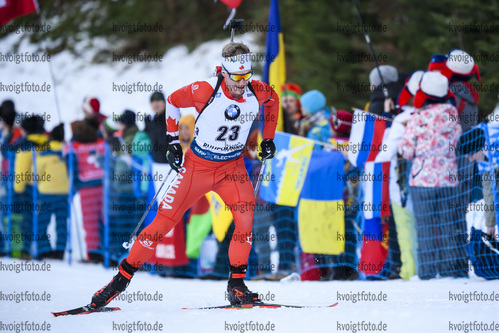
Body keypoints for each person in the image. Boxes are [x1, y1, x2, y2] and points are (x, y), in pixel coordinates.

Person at [90, 42, 278, 308]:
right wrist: (173, 142)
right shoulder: (205, 89)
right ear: (224, 72)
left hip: (232, 169)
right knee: (163, 224)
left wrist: (268, 138)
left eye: (246, 76)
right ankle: (119, 281)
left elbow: (273, 102)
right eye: (236, 77)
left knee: (245, 223)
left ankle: (236, 285)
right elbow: (173, 101)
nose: (242, 83)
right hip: (197, 167)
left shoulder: (256, 90)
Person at [398, 71, 468, 279]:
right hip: (448, 177)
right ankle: (451, 268)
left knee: (426, 224)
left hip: (422, 179)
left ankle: (428, 271)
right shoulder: (452, 114)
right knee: (448, 223)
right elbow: (456, 142)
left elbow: (406, 150)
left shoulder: (418, 117)